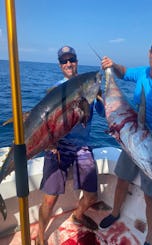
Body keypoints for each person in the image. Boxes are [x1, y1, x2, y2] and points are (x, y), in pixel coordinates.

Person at [99, 35, 152, 245]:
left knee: (151, 197)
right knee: (121, 180)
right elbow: (124, 72)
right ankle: (116, 212)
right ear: (150, 52)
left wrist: (140, 139)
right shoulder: (143, 73)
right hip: (132, 139)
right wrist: (112, 65)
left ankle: (150, 238)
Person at [36, 46, 104, 245]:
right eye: (64, 61)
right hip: (59, 145)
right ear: (60, 65)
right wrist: (49, 143)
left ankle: (77, 215)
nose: (68, 64)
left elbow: (102, 112)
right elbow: (46, 121)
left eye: (71, 59)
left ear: (77, 61)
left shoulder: (89, 83)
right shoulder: (57, 88)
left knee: (92, 196)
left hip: (82, 147)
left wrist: (101, 93)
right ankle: (40, 237)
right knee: (49, 199)